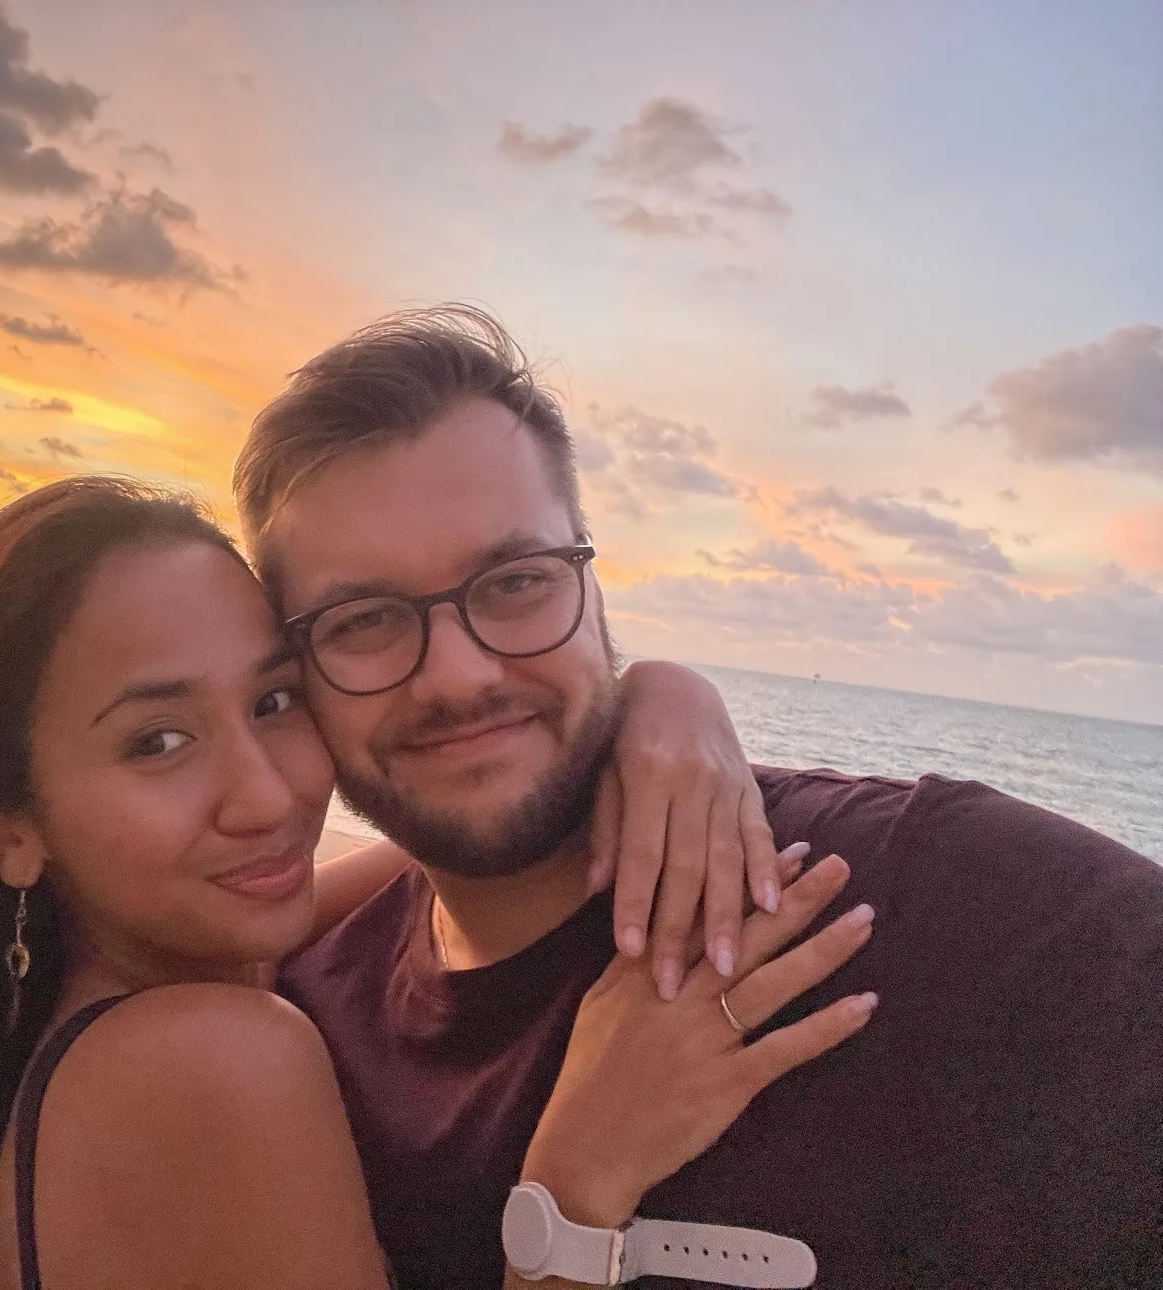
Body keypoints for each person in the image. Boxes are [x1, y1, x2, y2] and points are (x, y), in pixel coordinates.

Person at [0, 477, 876, 1290]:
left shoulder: (129, 999)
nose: (268, 797)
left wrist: (659, 704)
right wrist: (575, 1190)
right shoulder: (206, 1058)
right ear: (7, 827)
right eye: (157, 744)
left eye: (274, 703)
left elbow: (447, 849)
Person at [234, 305, 1163, 1289]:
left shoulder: (924, 894)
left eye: (514, 581)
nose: (458, 676)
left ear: (594, 592)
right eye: (364, 619)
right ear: (295, 673)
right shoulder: (297, 1033)